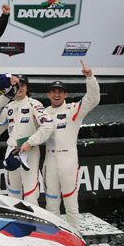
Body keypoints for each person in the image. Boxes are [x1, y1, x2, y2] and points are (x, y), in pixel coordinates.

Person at [23, 62, 100, 228]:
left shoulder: (73, 110)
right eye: (53, 92)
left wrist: (90, 77)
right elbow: (29, 132)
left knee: (71, 205)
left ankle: (75, 238)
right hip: (49, 160)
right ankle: (55, 239)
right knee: (51, 206)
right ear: (48, 94)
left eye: (60, 92)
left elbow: (93, 99)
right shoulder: (42, 113)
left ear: (65, 94)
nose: (56, 95)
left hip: (68, 161)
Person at [0, 75, 54, 203]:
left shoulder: (34, 104)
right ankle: (16, 221)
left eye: (23, 85)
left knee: (30, 195)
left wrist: (30, 142)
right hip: (11, 151)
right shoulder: (8, 107)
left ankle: (32, 222)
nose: (20, 88)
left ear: (27, 88)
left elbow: (48, 125)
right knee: (13, 195)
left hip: (29, 152)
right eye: (18, 85)